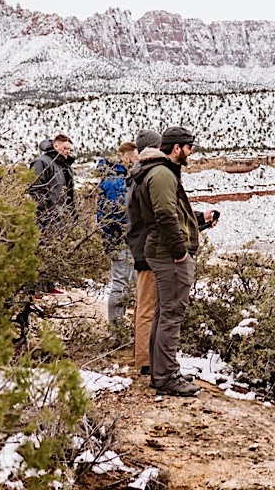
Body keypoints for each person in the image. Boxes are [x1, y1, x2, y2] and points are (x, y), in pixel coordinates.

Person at [129, 126, 218, 396]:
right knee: (171, 315)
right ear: (176, 147)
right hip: (168, 253)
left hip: (161, 250)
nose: (191, 152)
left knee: (162, 313)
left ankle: (161, 372)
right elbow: (166, 215)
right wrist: (180, 251)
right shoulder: (162, 173)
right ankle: (166, 376)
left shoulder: (157, 171)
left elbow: (171, 214)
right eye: (189, 147)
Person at [126, 129, 162, 376]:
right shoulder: (143, 176)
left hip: (141, 246)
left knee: (144, 304)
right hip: (147, 249)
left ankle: (144, 357)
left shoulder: (135, 175)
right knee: (147, 305)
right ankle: (145, 361)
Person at [97, 141, 139, 326]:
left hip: (126, 238)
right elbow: (118, 213)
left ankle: (121, 325)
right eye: (136, 158)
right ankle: (115, 330)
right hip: (119, 239)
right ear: (127, 157)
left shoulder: (121, 177)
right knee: (120, 283)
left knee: (130, 281)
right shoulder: (115, 180)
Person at [28, 134, 75, 294]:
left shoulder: (64, 165)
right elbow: (35, 189)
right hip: (44, 215)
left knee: (52, 250)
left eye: (69, 149)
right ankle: (34, 288)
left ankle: (48, 284)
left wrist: (70, 213)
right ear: (56, 146)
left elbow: (68, 193)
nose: (68, 151)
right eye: (65, 148)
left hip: (59, 216)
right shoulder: (42, 162)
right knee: (40, 250)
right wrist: (46, 209)